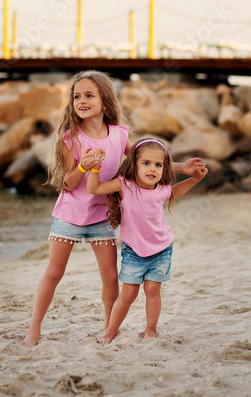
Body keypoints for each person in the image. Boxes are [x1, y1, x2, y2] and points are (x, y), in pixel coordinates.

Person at [23, 70, 205, 347]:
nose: (81, 101)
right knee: (54, 272)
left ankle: (109, 328)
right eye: (76, 96)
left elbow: (146, 159)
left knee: (109, 276)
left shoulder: (119, 135)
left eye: (88, 95)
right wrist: (84, 165)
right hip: (70, 215)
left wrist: (182, 168)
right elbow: (67, 185)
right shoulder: (70, 138)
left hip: (103, 216)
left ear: (105, 101)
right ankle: (33, 329)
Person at [87, 138, 208, 344]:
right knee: (129, 293)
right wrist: (95, 169)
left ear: (164, 168)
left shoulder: (161, 188)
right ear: (134, 164)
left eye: (158, 165)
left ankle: (150, 331)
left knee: (153, 289)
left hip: (162, 249)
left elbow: (176, 192)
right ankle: (110, 332)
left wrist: (195, 179)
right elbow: (94, 189)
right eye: (146, 163)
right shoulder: (124, 185)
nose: (152, 169)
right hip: (133, 251)